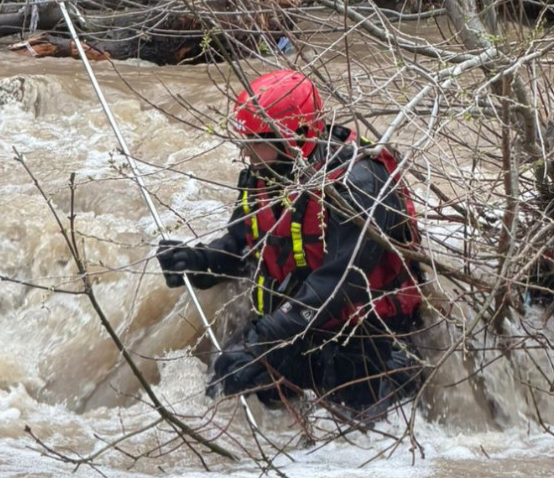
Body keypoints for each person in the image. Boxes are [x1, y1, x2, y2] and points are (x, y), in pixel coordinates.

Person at [157, 69, 425, 417]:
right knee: (225, 377)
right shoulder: (267, 172)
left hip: (370, 343)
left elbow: (339, 283)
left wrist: (262, 343)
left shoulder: (359, 184)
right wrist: (200, 262)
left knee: (354, 429)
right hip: (299, 329)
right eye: (245, 142)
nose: (247, 154)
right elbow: (244, 246)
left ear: (296, 139)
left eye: (256, 143)